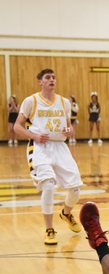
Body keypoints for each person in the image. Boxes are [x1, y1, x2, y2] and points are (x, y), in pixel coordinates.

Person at [13, 69, 83, 245]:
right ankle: (49, 229)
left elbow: (69, 129)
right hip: (40, 147)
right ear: (40, 82)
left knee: (75, 190)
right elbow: (17, 127)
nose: (52, 80)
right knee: (49, 186)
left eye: (53, 77)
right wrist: (34, 136)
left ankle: (66, 213)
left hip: (60, 147)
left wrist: (67, 131)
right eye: (47, 78)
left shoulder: (64, 102)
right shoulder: (31, 101)